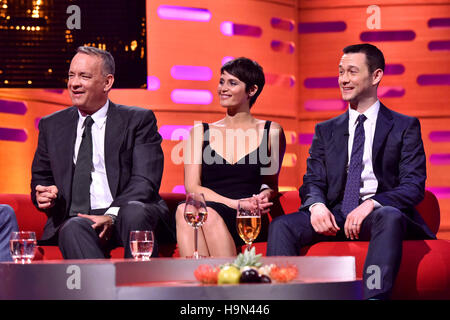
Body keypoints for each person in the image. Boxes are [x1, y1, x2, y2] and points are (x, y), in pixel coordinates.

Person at [266, 44, 436, 299]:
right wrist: (316, 206)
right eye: (340, 72)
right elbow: (312, 180)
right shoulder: (327, 130)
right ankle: (278, 298)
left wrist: (372, 204)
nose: (343, 79)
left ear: (376, 76)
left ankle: (374, 296)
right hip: (336, 214)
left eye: (352, 72)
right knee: (282, 226)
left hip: (378, 216)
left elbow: (413, 186)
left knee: (389, 216)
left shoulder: (404, 126)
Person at [30, 46, 174, 259]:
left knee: (134, 211)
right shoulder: (52, 125)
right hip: (79, 218)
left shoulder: (138, 120)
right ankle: (101, 292)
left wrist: (111, 215)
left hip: (127, 214)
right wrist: (42, 195)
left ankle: (139, 290)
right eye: (71, 75)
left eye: (84, 76)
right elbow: (41, 178)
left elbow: (144, 182)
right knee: (72, 228)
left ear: (107, 82)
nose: (74, 83)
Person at [176, 57, 286, 257]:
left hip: (248, 219)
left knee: (196, 213)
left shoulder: (271, 132)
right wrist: (235, 204)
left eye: (232, 83)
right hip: (214, 210)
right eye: (221, 81)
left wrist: (264, 195)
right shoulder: (200, 132)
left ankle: (223, 284)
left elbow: (270, 184)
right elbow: (193, 188)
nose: (222, 88)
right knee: (187, 209)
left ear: (251, 90)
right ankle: (205, 282)